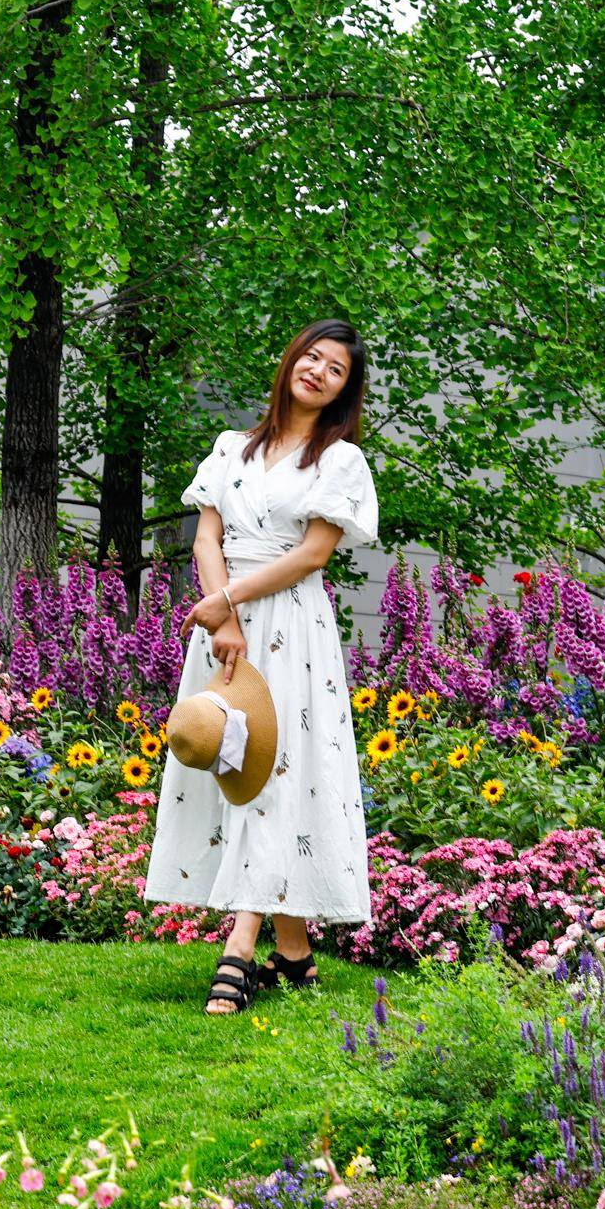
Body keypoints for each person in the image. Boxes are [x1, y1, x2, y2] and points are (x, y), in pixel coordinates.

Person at [144, 319, 380, 1015]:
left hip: (290, 625)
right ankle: (296, 957)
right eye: (311, 356)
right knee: (236, 768)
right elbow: (207, 536)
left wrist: (227, 600)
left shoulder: (339, 461)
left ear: (343, 391)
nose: (317, 371)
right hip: (228, 626)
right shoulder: (232, 448)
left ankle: (239, 948)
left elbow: (312, 555)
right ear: (291, 361)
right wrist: (223, 619)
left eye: (334, 369)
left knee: (275, 774)